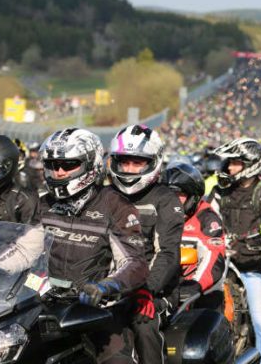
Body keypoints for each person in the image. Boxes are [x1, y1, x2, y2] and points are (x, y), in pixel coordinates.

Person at [35, 127, 148, 364]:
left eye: (68, 165)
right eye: (54, 165)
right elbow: (21, 250)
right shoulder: (44, 204)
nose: (59, 172)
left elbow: (135, 262)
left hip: (97, 313)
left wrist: (107, 286)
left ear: (91, 164)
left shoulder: (115, 205)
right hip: (45, 308)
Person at [108, 125, 184, 364]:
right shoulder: (104, 196)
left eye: (137, 163)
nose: (129, 169)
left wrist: (146, 290)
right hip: (107, 289)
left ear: (153, 163)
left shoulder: (166, 200)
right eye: (124, 162)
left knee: (144, 325)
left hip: (155, 292)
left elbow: (169, 253)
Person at [211, 137, 261, 364]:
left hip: (253, 264)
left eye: (236, 163)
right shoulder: (221, 191)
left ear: (252, 164)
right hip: (221, 261)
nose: (230, 167)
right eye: (229, 163)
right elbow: (206, 214)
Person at [162, 162, 226, 310]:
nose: (172, 201)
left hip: (199, 290)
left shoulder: (207, 219)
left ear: (193, 197)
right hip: (162, 287)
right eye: (167, 195)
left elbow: (214, 257)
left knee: (204, 327)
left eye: (179, 195)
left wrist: (195, 285)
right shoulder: (156, 214)